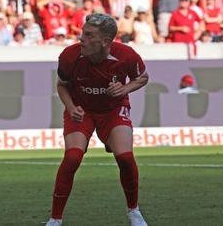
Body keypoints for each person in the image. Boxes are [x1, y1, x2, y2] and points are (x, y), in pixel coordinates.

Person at [46, 13, 149, 226]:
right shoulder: (69, 56)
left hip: (113, 110)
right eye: (83, 33)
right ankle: (55, 220)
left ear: (105, 41)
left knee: (125, 158)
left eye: (89, 35)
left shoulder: (126, 55)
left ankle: (133, 211)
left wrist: (125, 88)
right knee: (73, 157)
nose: (81, 38)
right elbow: (62, 85)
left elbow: (143, 77)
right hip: (81, 111)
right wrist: (71, 107)